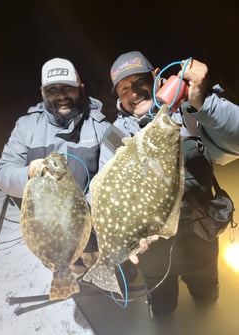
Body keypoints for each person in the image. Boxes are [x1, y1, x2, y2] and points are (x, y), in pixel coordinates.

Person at [99, 50, 239, 317]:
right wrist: (119, 239)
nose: (133, 93)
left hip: (201, 236)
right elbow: (107, 197)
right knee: (162, 309)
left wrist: (203, 103)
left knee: (208, 299)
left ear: (156, 77)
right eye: (124, 88)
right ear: (118, 96)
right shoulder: (114, 137)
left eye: (139, 81)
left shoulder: (189, 111)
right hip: (152, 252)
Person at [0, 57, 111, 270]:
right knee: (65, 276)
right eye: (53, 90)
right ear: (42, 92)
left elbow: (111, 181)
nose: (61, 96)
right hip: (46, 233)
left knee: (101, 275)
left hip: (93, 229)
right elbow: (2, 175)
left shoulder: (100, 127)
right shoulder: (26, 126)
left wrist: (81, 218)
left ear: (81, 88)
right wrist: (29, 172)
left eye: (68, 88)